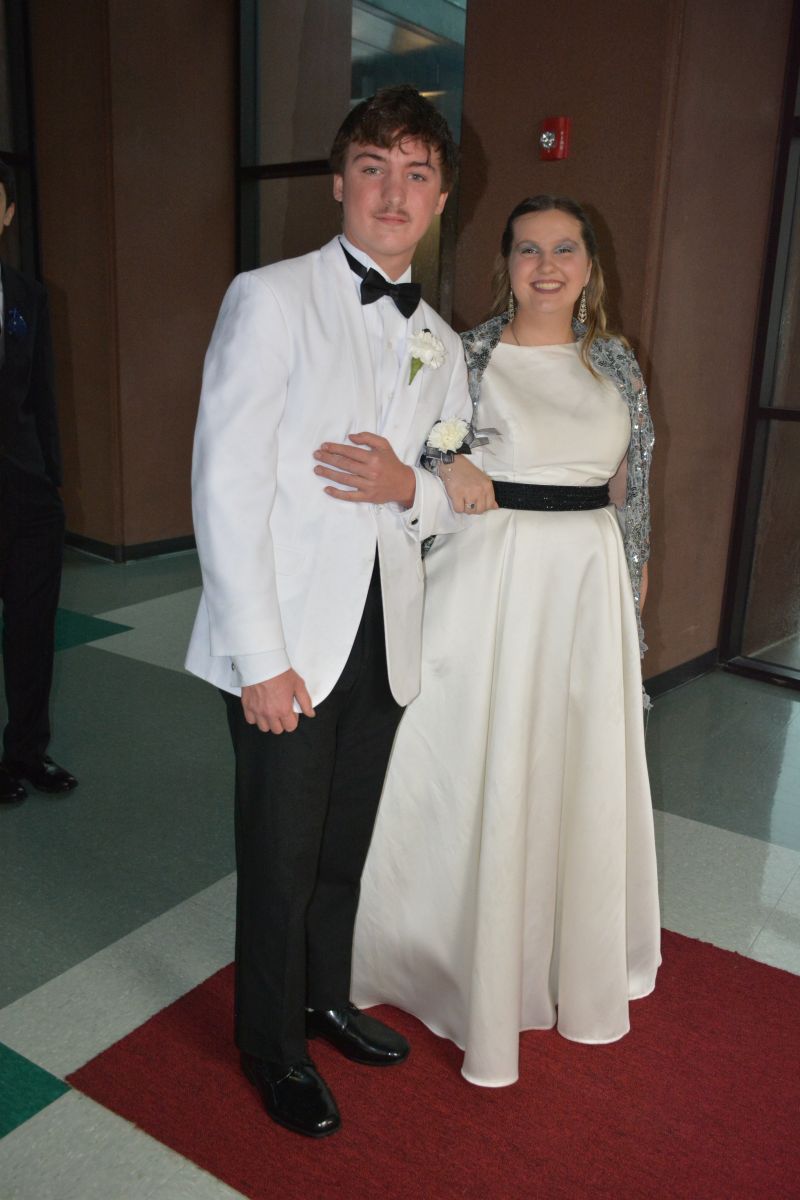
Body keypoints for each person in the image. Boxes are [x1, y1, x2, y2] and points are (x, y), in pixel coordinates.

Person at [186, 86, 494, 1138]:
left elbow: (450, 492)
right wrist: (258, 658)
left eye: (416, 174)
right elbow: (224, 487)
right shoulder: (269, 298)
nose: (393, 193)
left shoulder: (441, 341)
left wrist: (409, 489)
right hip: (285, 640)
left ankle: (323, 999)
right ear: (338, 182)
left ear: (441, 198)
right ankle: (269, 1044)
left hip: (383, 636)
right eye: (373, 168)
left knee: (338, 845)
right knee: (279, 852)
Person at [352, 195, 661, 1087]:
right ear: (506, 264)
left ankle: (561, 950)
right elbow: (417, 439)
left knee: (572, 766)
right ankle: (439, 957)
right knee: (465, 767)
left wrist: (634, 584)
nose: (547, 266)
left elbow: (633, 483)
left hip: (587, 586)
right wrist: (447, 460)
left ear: (590, 264)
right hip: (490, 579)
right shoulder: (464, 352)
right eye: (529, 249)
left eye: (565, 248)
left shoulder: (615, 360)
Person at [0, 159, 78, 805]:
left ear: (6, 214)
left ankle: (26, 751)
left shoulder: (26, 295)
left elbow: (42, 395)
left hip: (26, 496)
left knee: (32, 633)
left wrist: (51, 480)